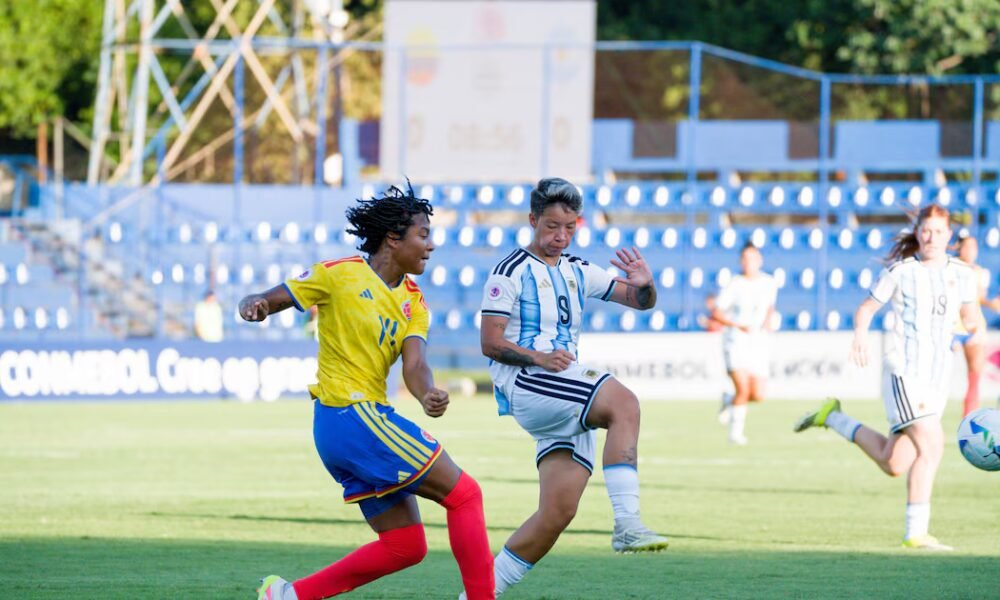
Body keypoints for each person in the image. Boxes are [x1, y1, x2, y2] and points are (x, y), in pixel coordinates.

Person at [244, 184, 494, 600]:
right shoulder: (339, 273)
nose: (431, 246)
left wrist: (426, 393)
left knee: (405, 546)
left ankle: (288, 596)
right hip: (352, 415)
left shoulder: (414, 302)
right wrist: (256, 305)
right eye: (423, 235)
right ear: (393, 238)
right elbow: (272, 299)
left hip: (346, 426)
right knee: (465, 496)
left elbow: (415, 365)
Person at [461, 177, 667, 599]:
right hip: (529, 382)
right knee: (624, 405)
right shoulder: (509, 272)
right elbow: (490, 343)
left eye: (569, 227)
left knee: (556, 513)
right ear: (533, 220)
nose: (560, 235)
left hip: (559, 387)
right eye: (552, 226)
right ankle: (627, 523)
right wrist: (537, 358)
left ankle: (477, 596)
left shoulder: (577, 270)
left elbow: (640, 302)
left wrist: (646, 284)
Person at [794, 204, 984, 551]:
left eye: (939, 231)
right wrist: (860, 335)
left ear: (949, 236)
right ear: (918, 232)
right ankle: (916, 533)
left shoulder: (963, 275)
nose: (931, 237)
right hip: (905, 373)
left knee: (894, 461)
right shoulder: (901, 271)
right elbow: (866, 309)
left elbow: (971, 320)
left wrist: (968, 330)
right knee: (933, 446)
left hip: (937, 379)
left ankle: (833, 417)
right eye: (926, 230)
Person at [711, 243, 777, 444]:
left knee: (758, 395)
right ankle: (735, 434)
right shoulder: (735, 284)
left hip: (758, 342)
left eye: (752, 258)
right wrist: (737, 325)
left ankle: (728, 400)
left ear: (760, 260)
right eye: (745, 259)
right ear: (741, 261)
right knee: (742, 388)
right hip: (736, 341)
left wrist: (768, 322)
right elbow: (717, 312)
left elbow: (770, 306)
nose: (749, 263)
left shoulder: (769, 282)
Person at [951, 234, 1000, 416]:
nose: (971, 251)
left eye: (974, 247)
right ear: (959, 248)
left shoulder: (980, 272)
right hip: (951, 326)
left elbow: (978, 298)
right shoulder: (950, 269)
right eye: (967, 247)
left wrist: (992, 304)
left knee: (974, 375)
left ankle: (969, 418)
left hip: (974, 326)